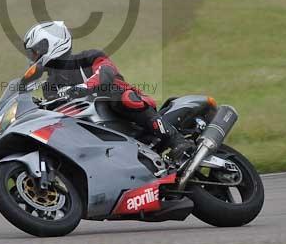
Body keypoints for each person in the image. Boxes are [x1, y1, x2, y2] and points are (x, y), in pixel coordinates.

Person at [23, 20, 194, 162]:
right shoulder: (49, 87)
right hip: (91, 130)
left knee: (117, 94)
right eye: (32, 53)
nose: (34, 57)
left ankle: (176, 140)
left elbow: (107, 73)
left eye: (36, 51)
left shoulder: (89, 57)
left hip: (125, 113)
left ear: (51, 43)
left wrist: (81, 89)